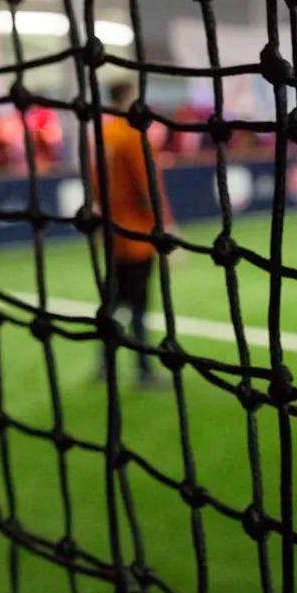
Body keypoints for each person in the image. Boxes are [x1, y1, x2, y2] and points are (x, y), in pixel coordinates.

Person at [93, 79, 175, 388]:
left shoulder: (104, 135)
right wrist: (163, 225)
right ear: (126, 98)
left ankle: (104, 365)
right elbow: (147, 187)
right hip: (137, 235)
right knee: (138, 307)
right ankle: (143, 371)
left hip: (114, 233)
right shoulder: (132, 136)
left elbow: (96, 184)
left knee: (112, 303)